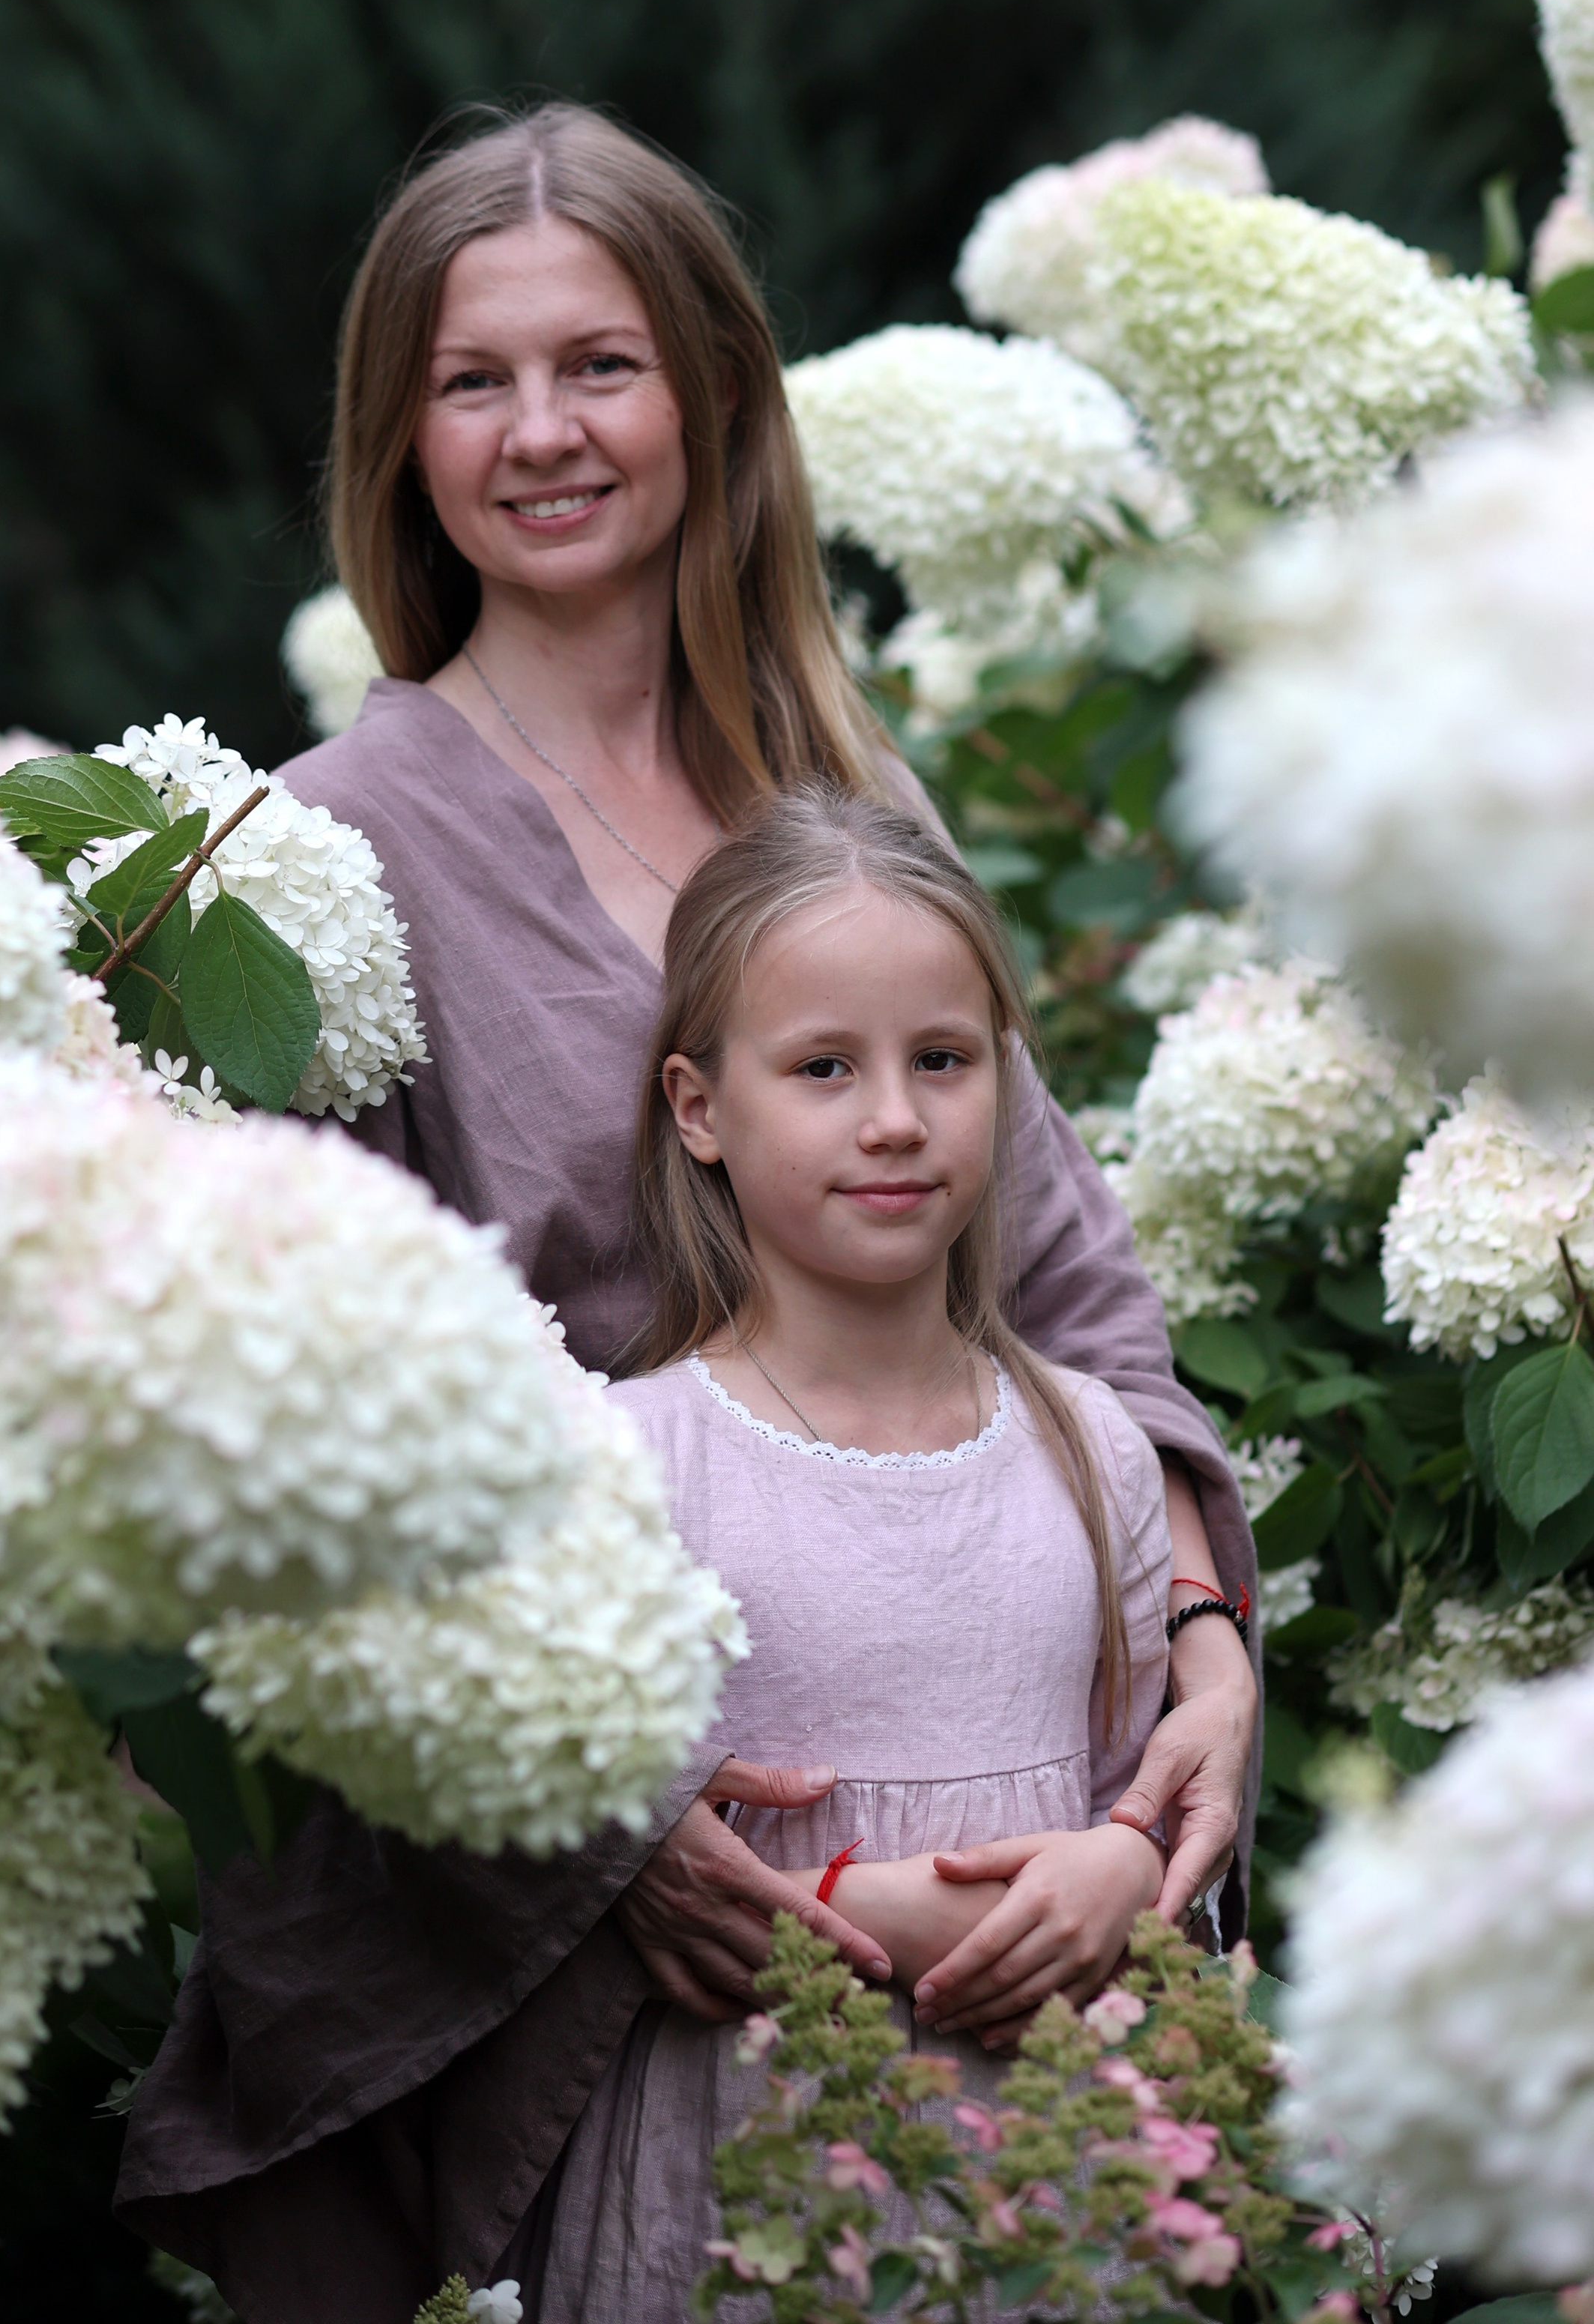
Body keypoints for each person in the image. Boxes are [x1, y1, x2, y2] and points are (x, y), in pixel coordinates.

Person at [116, 104, 1256, 2320]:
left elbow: (1071, 1297)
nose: (542, 431)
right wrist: (614, 1833)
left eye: (601, 365)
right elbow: (294, 1461)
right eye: (474, 380)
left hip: (1011, 1841)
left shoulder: (844, 793)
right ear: (402, 438)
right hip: (621, 1919)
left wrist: (1198, 1669)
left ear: (712, 392)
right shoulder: (325, 857)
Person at [540, 783, 1192, 2318]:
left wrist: (1126, 1863)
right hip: (747, 2163)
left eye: (941, 1060)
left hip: (1048, 2167)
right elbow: (578, 1850)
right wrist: (856, 1913)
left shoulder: (1093, 1447)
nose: (894, 1118)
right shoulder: (623, 1460)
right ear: (699, 1108)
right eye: (823, 1066)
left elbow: (1143, 1793)